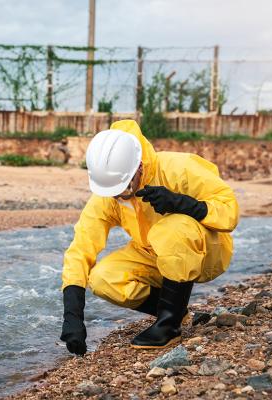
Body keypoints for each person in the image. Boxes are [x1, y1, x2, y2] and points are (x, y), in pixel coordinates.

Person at [60, 119, 239, 355]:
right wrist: (73, 315)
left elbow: (229, 212)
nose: (117, 198)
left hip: (206, 252)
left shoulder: (179, 168)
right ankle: (176, 310)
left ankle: (169, 326)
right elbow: (81, 248)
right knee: (103, 278)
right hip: (154, 255)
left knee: (171, 229)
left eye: (122, 189)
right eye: (111, 192)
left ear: (139, 167)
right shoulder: (111, 196)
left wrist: (182, 203)